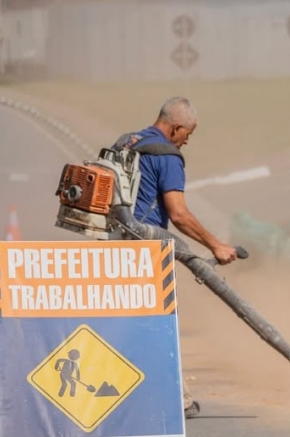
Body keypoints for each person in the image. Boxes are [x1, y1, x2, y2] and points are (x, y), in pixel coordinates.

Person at [112, 97, 238, 419]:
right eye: (188, 134)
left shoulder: (127, 142)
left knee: (124, 323)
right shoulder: (167, 156)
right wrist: (216, 246)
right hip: (145, 251)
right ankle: (177, 399)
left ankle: (125, 393)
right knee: (160, 323)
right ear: (175, 127)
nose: (187, 141)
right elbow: (179, 215)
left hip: (113, 246)